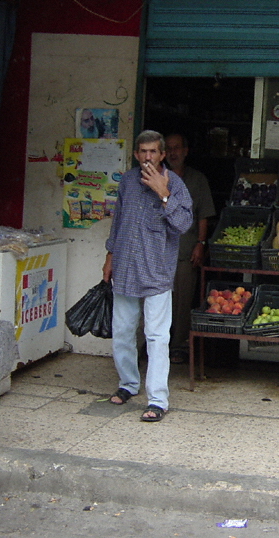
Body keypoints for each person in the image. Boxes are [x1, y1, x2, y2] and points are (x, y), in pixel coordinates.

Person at [103, 130, 193, 422]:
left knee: (156, 337)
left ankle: (157, 399)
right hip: (126, 268)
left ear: (163, 154)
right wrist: (109, 257)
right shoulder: (127, 182)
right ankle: (128, 384)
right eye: (143, 152)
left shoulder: (175, 184)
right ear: (136, 154)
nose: (147, 157)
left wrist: (163, 193)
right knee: (123, 332)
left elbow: (183, 224)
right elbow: (117, 223)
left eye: (153, 152)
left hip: (157, 272)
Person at [165, 133, 216, 364]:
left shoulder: (197, 180)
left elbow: (203, 215)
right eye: (168, 149)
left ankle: (178, 346)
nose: (173, 153)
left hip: (186, 251)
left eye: (177, 148)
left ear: (186, 151)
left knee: (183, 301)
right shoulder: (156, 178)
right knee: (157, 302)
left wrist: (200, 243)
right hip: (158, 252)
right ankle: (156, 344)